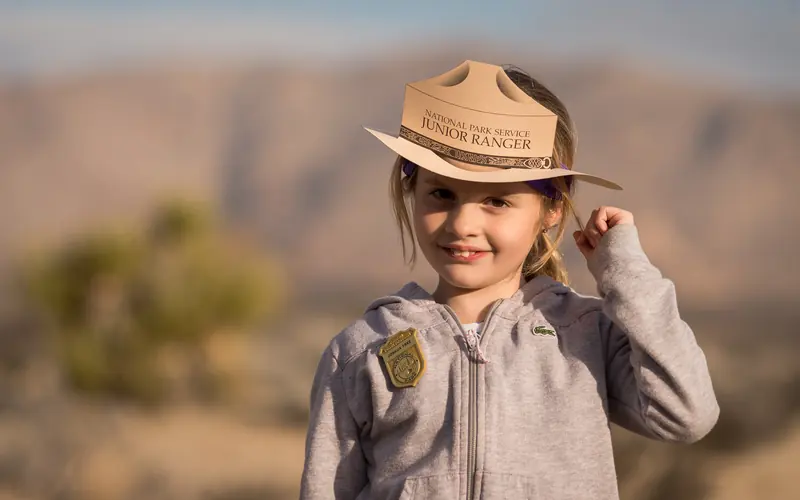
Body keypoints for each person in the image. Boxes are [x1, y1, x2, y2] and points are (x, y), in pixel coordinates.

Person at [299, 60, 719, 500]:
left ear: (552, 208)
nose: (462, 223)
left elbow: (688, 414)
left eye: (497, 200)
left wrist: (625, 272)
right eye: (442, 193)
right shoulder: (361, 350)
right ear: (411, 190)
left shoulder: (586, 335)